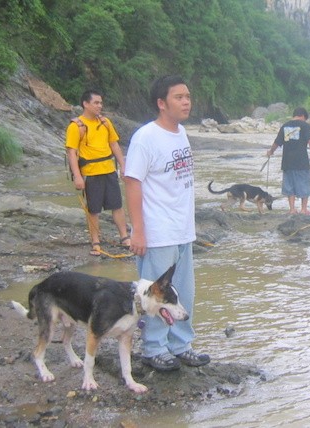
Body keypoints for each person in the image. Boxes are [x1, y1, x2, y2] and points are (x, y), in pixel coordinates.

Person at [123, 75, 210, 372]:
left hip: (183, 230)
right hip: (158, 232)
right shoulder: (145, 137)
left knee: (184, 293)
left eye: (188, 96)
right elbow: (132, 182)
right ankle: (154, 348)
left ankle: (181, 344)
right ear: (162, 103)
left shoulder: (181, 132)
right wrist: (138, 230)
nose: (186, 101)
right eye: (179, 97)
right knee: (156, 296)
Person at [65, 90, 130, 256]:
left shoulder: (105, 122)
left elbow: (114, 145)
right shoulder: (76, 126)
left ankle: (124, 237)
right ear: (85, 104)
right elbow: (71, 152)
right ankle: (95, 242)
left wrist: (123, 166)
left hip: (109, 170)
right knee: (93, 209)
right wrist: (77, 176)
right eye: (96, 103)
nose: (99, 106)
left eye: (101, 103)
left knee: (117, 205)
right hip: (91, 173)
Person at [266, 107, 310, 215]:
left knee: (289, 186)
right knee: (304, 185)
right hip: (301, 161)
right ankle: (303, 209)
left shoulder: (285, 126)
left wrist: (270, 151)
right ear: (303, 116)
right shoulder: (305, 126)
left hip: (287, 162)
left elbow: (277, 143)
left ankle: (292, 209)